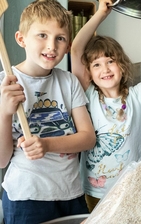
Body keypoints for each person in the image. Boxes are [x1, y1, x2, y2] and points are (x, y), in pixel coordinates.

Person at [70, 0, 141, 212]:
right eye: (97, 64)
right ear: (89, 72)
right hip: (95, 191)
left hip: (132, 187)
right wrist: (101, 13)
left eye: (110, 61)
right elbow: (75, 49)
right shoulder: (88, 95)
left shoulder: (137, 95)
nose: (105, 69)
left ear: (121, 65)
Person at [0, 0, 96, 223]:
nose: (52, 46)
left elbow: (88, 138)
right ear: (21, 39)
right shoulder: (4, 85)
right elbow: (2, 160)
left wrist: (47, 145)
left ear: (68, 45)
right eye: (42, 35)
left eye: (60, 38)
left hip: (70, 192)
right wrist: (5, 113)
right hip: (26, 196)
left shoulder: (68, 82)